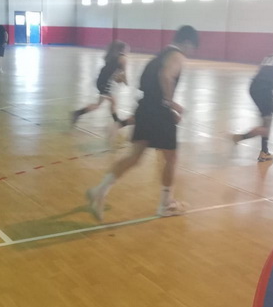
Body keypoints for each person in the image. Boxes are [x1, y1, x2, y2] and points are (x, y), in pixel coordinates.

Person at [85, 26, 199, 221]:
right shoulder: (177, 56)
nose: (191, 52)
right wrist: (170, 105)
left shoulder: (159, 55)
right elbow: (166, 76)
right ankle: (166, 204)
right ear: (187, 42)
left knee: (134, 157)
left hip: (145, 107)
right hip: (159, 111)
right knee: (171, 158)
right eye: (192, 48)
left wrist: (164, 105)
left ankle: (99, 191)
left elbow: (147, 82)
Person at [232, 35, 273, 162]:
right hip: (263, 90)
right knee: (266, 127)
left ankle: (264, 152)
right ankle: (239, 138)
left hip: (254, 87)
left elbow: (264, 78)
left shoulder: (270, 56)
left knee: (268, 119)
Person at [72, 40, 133, 132]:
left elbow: (114, 75)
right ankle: (78, 113)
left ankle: (117, 121)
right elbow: (123, 75)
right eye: (127, 49)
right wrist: (126, 82)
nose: (128, 51)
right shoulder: (123, 59)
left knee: (112, 102)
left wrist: (119, 79)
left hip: (101, 80)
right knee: (101, 104)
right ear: (123, 49)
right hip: (104, 83)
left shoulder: (113, 57)